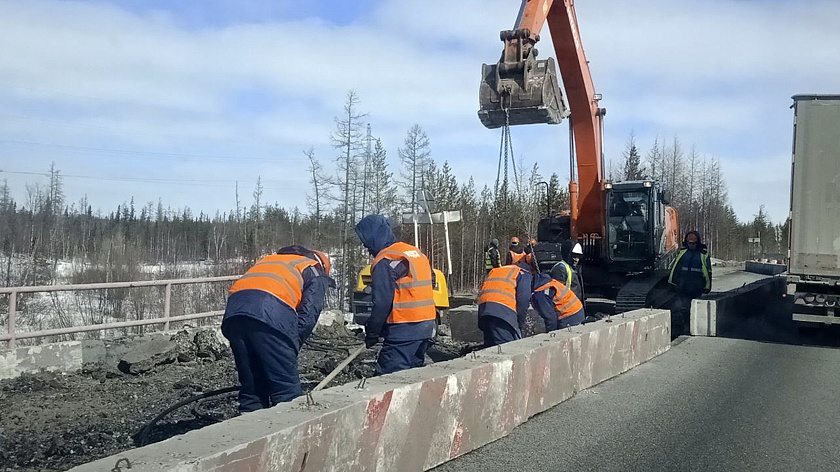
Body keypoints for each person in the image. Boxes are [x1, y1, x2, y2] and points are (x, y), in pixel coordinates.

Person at [222, 246, 333, 413]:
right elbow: (308, 315)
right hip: (270, 314)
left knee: (252, 386)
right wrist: (291, 347)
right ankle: (289, 430)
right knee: (286, 389)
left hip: (234, 315)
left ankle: (250, 431)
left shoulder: (268, 261)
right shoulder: (313, 269)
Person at [355, 214, 436, 375]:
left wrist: (372, 332)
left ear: (372, 237)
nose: (366, 248)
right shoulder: (413, 252)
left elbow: (382, 303)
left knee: (387, 380)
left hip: (405, 329)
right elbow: (431, 280)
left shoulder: (386, 260)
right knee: (412, 377)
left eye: (366, 243)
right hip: (426, 326)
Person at [477, 264, 533, 347]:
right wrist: (519, 324)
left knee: (490, 346)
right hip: (502, 311)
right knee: (507, 348)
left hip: (484, 309)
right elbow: (523, 300)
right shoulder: (523, 273)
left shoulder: (496, 271)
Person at [668, 231, 712, 334]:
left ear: (697, 243)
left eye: (693, 243)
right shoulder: (683, 253)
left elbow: (708, 272)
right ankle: (686, 327)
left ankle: (693, 327)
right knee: (684, 307)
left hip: (696, 287)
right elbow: (676, 267)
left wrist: (707, 286)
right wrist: (673, 281)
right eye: (689, 243)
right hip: (683, 286)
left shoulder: (703, 255)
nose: (691, 245)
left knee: (693, 307)